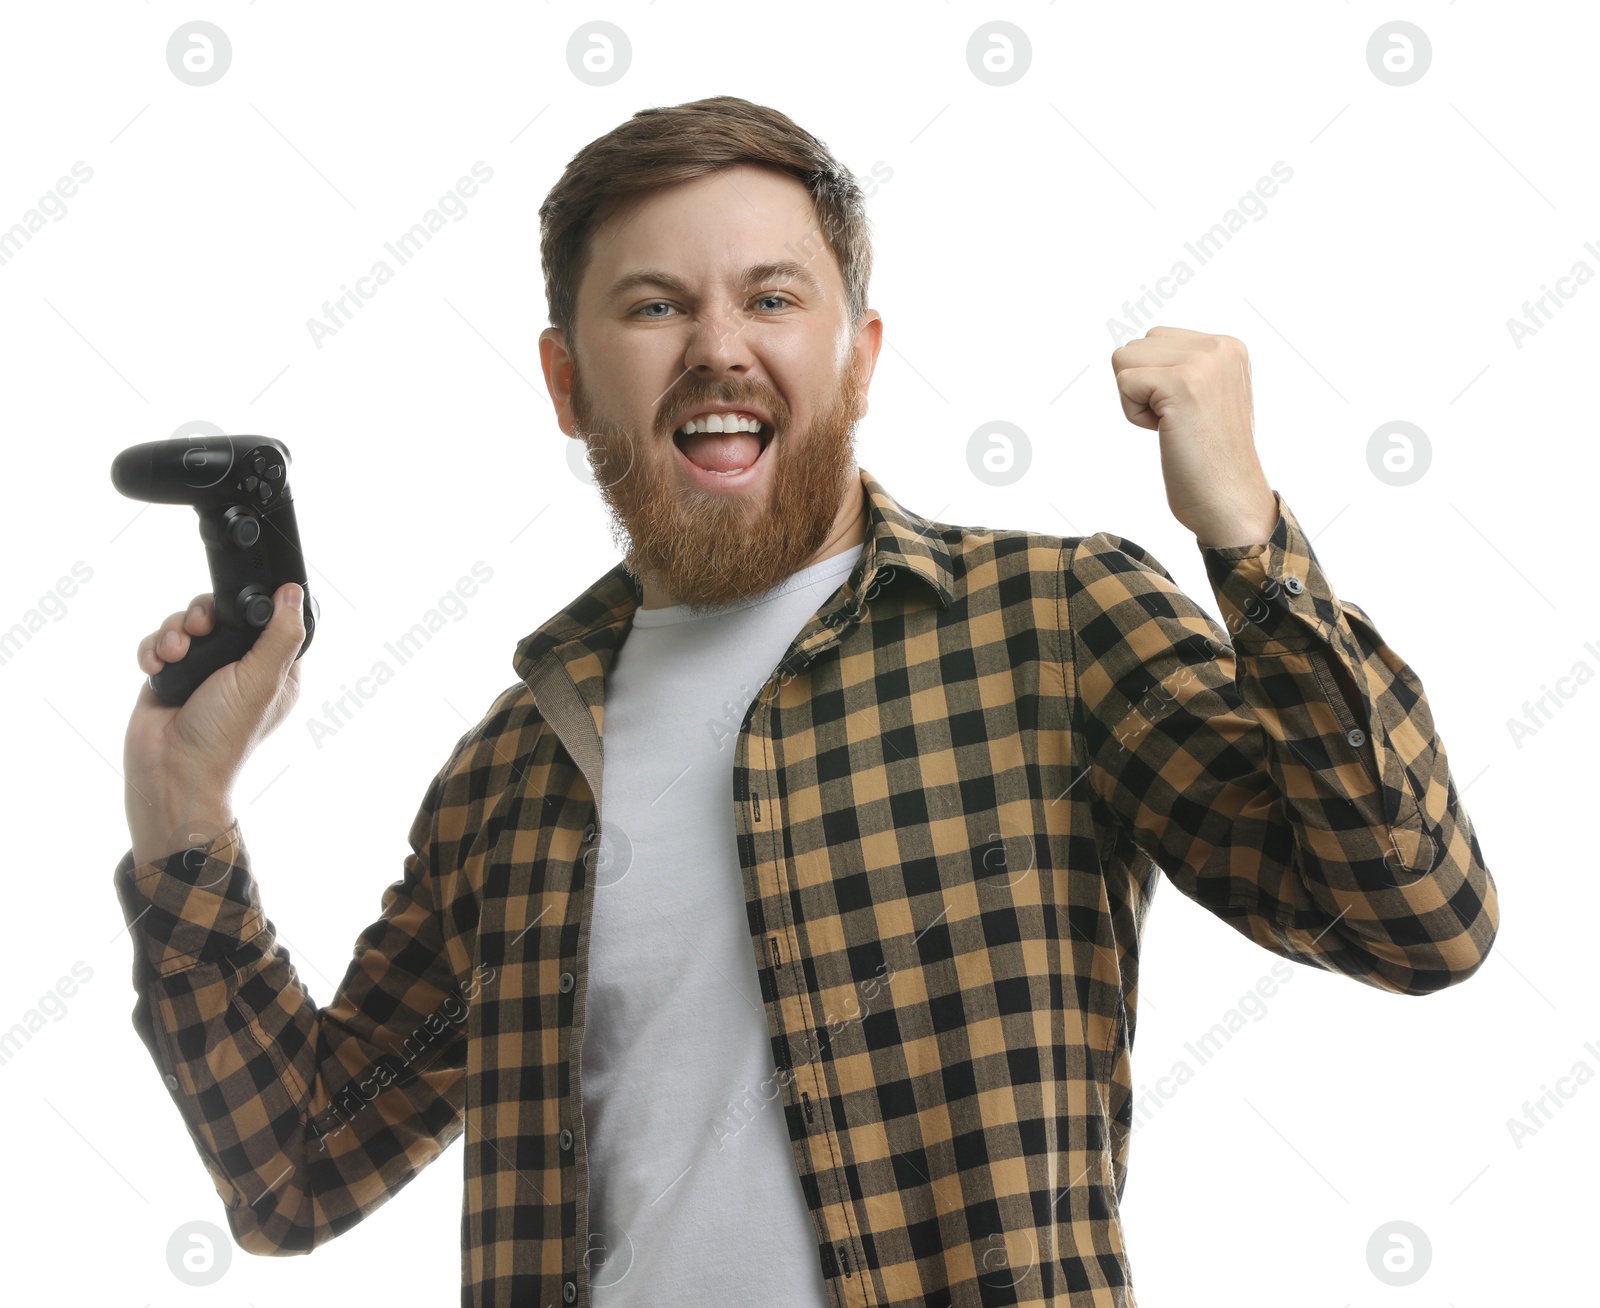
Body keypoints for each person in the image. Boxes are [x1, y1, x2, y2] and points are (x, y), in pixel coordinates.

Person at [115, 96, 1498, 1308]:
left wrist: (1247, 535)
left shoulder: (1057, 623)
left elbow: (1415, 916)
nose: (720, 347)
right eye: (654, 305)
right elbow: (298, 1171)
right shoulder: (516, 768)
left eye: (772, 298)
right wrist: (184, 816)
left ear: (860, 353)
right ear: (564, 378)